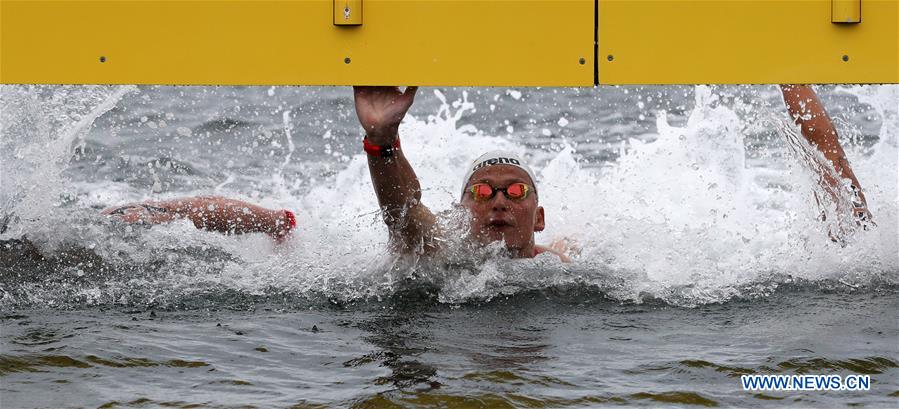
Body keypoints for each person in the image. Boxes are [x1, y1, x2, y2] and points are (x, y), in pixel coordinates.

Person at [103, 84, 871, 253]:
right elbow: (400, 210)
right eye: (484, 193)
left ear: (537, 215)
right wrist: (381, 138)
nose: (497, 202)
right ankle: (132, 213)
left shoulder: (570, 258)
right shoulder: (440, 251)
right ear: (464, 206)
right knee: (279, 225)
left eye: (512, 194)